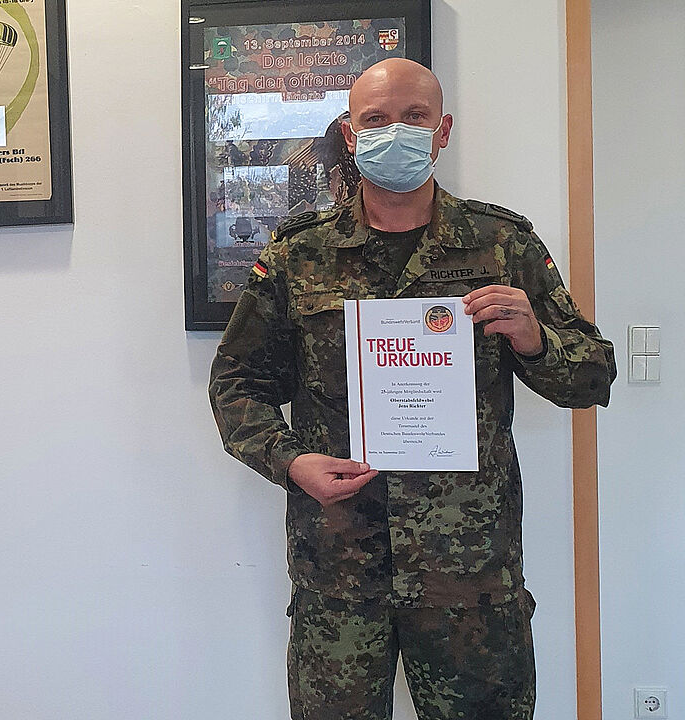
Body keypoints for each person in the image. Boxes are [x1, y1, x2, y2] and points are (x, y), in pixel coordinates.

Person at [208, 59, 615, 719]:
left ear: (442, 129)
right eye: (376, 119)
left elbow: (591, 375)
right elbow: (238, 383)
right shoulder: (297, 256)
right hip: (339, 571)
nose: (393, 131)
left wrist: (535, 337)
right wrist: (290, 462)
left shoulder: (502, 246)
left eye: (413, 117)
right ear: (349, 131)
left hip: (471, 579)